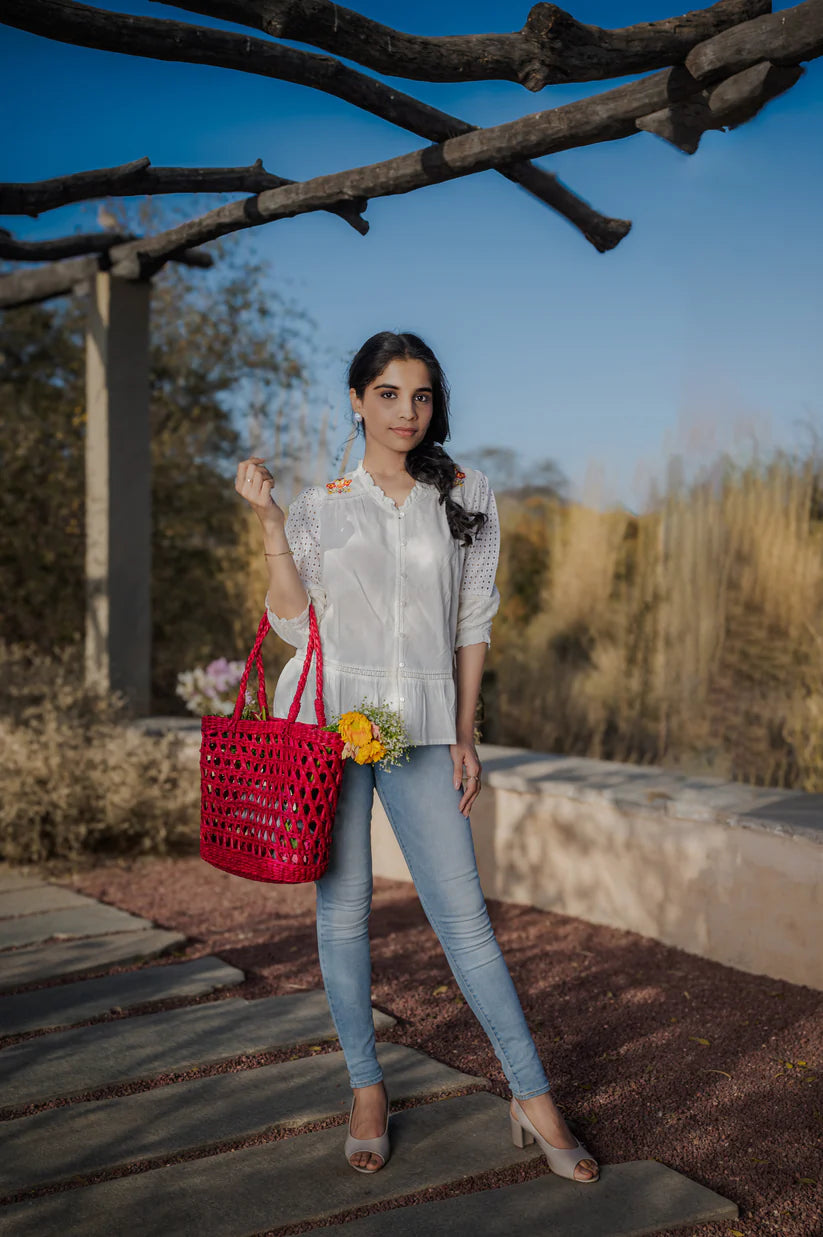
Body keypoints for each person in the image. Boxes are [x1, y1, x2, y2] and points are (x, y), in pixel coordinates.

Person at [235, 331, 600, 1183]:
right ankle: (366, 1088)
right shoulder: (321, 504)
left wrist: (465, 734)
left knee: (464, 918)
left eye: (422, 395)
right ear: (357, 399)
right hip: (330, 727)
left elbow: (472, 621)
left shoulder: (467, 493)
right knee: (343, 909)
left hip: (425, 728)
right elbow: (291, 624)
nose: (407, 411)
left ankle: (532, 1094)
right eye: (389, 393)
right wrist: (269, 522)